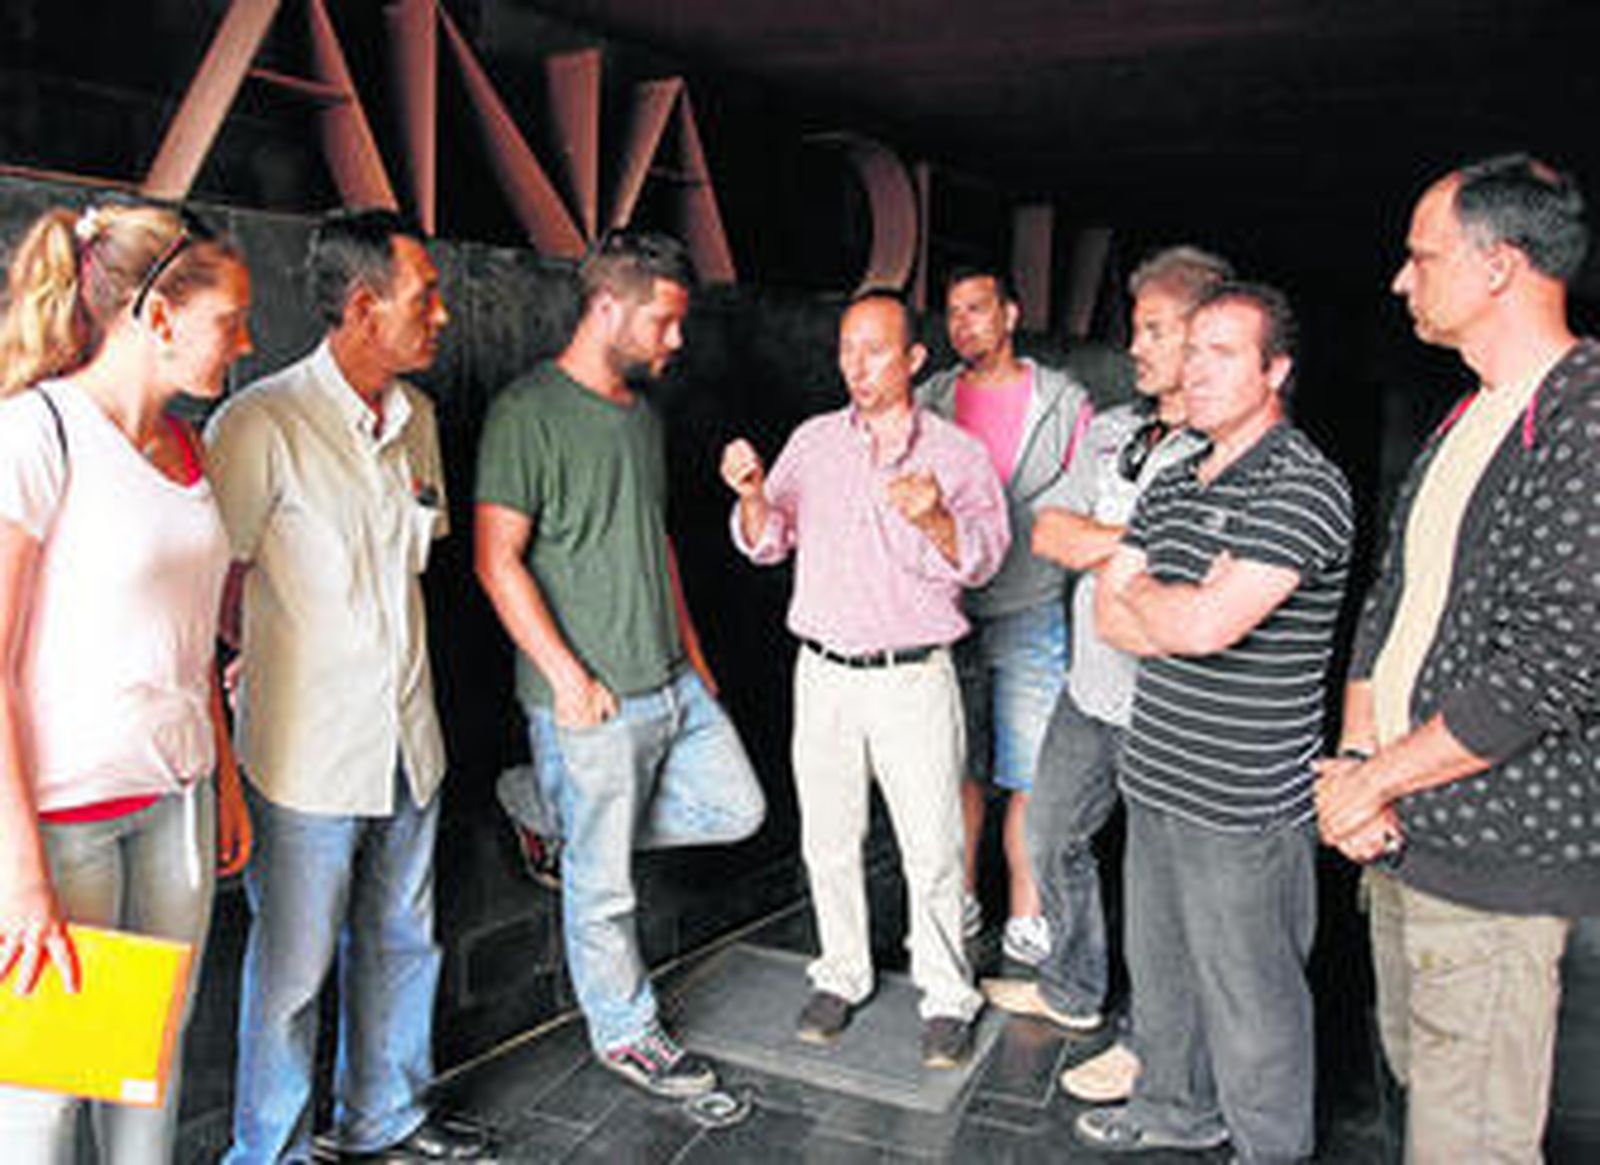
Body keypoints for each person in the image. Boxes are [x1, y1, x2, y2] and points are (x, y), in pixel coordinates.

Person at [1316, 154, 1598, 1162]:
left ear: (1499, 267)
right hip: (1399, 824)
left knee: (1467, 1134)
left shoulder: (1583, 415)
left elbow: (1554, 665)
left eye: (1419, 256)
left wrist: (1373, 779)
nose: (1399, 279)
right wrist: (1356, 768)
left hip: (1489, 852)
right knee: (1416, 1080)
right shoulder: (1467, 414)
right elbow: (1388, 600)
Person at [207, 209, 486, 1163]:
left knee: (405, 941)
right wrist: (264, 656)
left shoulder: (420, 423)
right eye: (426, 297)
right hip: (302, 754)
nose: (440, 315)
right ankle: (271, 1151)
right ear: (364, 307)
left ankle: (387, 1118)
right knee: (289, 977)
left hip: (410, 739)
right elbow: (217, 580)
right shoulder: (259, 423)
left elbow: (415, 559)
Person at [475, 230, 765, 1099]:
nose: (675, 341)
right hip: (589, 699)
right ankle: (626, 1031)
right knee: (603, 892)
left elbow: (656, 540)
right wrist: (567, 676)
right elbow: (497, 559)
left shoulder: (641, 415)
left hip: (670, 678)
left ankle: (552, 811)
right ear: (608, 307)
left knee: (736, 806)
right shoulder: (527, 412)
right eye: (664, 322)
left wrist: (697, 657)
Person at [1074, 283, 1353, 1161]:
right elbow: (1110, 616)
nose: (1194, 369)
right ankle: (1174, 1110)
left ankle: (1271, 1148)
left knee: (1253, 995)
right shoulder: (1175, 477)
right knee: (1162, 975)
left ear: (1276, 370)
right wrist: (1176, 599)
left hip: (1243, 802)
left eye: (1221, 352)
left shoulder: (1304, 485)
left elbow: (1203, 627)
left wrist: (1160, 600)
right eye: (1189, 350)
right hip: (1155, 775)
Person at [0, 200, 252, 1162]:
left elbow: (191, 645)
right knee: (48, 1099)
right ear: (158, 317)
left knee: (147, 1069)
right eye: (229, 318)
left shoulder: (187, 451)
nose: (245, 338)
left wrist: (222, 777)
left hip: (176, 803)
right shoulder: (37, 434)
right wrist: (19, 874)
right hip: (65, 825)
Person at [722, 291, 1009, 1068]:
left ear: (914, 359)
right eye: (847, 349)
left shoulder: (955, 453)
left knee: (935, 845)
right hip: (822, 673)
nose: (856, 365)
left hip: (913, 677)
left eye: (875, 350)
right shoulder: (814, 443)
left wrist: (935, 519)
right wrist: (751, 496)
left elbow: (986, 555)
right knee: (828, 836)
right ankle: (841, 971)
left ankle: (948, 992)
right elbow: (766, 542)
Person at [985, 247, 1230, 1097]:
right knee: (1051, 835)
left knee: (1163, 886)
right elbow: (1056, 528)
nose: (1138, 345)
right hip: (1090, 689)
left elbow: (1194, 569)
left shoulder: (1227, 444)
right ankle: (1075, 988)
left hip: (1168, 702)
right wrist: (1127, 548)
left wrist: (1109, 547)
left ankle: (1151, 1041)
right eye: (1139, 328)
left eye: (1155, 329)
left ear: (1205, 335)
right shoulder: (1119, 427)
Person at [915, 265, 1092, 964]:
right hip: (948, 611)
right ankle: (958, 901)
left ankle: (1027, 911)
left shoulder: (1062, 399)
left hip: (1029, 606)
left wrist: (1012, 539)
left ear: (1011, 314)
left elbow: (1079, 498)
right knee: (954, 766)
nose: (964, 324)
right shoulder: (930, 399)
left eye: (978, 309)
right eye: (953, 312)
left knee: (1030, 770)